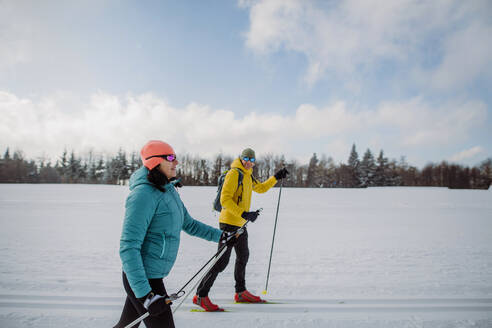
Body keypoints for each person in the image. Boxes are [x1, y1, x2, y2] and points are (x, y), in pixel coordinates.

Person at [113, 140, 223, 328]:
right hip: (143, 279)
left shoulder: (168, 189)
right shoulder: (142, 195)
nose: (176, 162)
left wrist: (221, 236)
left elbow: (188, 224)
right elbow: (128, 247)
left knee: (126, 326)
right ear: (154, 161)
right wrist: (146, 296)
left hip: (152, 276)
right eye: (170, 157)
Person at [193, 147, 289, 311]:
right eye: (246, 159)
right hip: (229, 222)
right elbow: (225, 200)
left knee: (243, 255)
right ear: (241, 158)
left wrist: (275, 177)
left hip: (240, 223)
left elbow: (260, 188)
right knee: (221, 262)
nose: (249, 162)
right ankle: (201, 296)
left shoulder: (247, 174)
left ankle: (241, 292)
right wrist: (244, 213)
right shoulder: (234, 173)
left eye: (252, 160)